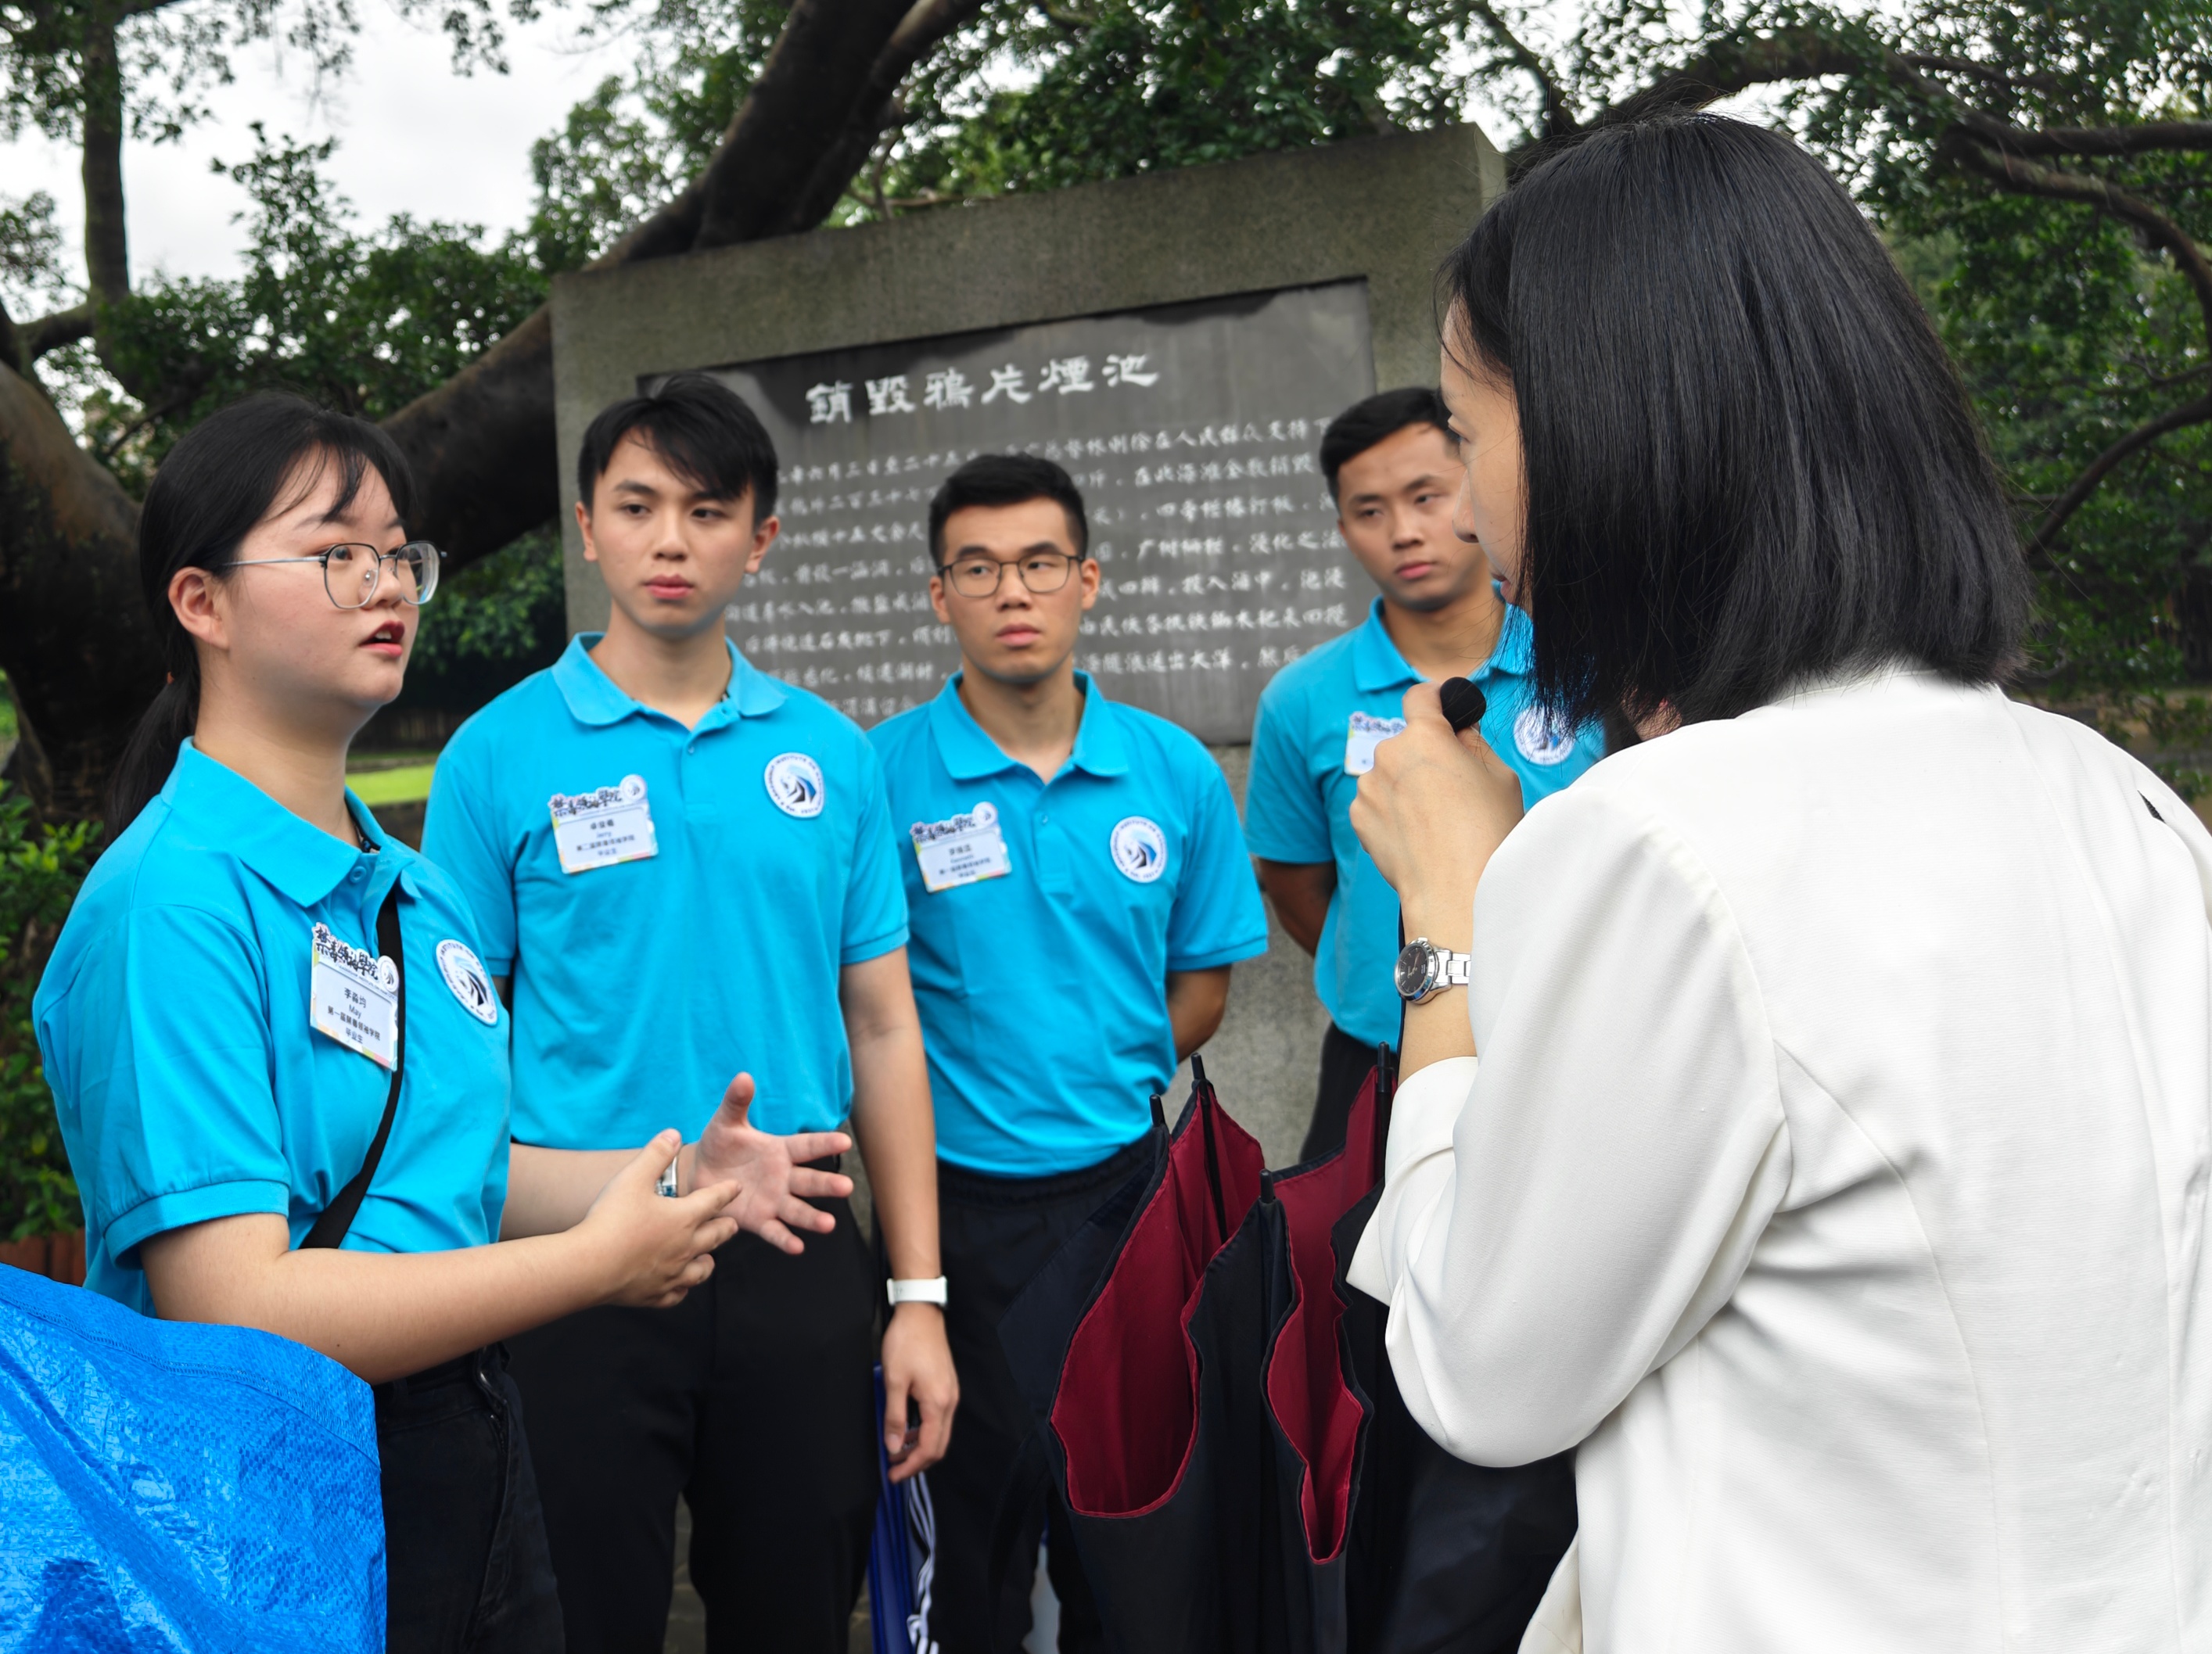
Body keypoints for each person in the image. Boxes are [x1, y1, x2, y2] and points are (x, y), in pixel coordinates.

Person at [1344, 113, 2212, 1652]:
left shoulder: (1660, 845)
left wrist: (1447, 914)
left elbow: (1483, 1368)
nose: (1467, 515)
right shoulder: (2121, 800)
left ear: (1613, 429)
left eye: (1471, 440)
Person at [32, 393, 852, 1653]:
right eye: (334, 551)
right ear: (202, 603)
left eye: (397, 552)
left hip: (467, 1443)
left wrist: (685, 1170)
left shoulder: (409, 892)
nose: (386, 584)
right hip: (273, 1490)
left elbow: (451, 1177)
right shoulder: (172, 900)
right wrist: (592, 1267)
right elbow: (230, 1301)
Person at [421, 372, 958, 1654]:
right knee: (576, 1617)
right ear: (586, 526)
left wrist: (919, 1296)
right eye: (638, 505)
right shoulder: (495, 756)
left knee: (792, 1611)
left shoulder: (829, 755)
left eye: (707, 510)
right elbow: (456, 1043)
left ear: (758, 538)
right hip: (575, 1267)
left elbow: (884, 1030)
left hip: (794, 1253)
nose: (671, 540)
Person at [868, 454, 1269, 1653]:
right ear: (941, 596)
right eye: (978, 568)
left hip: (1127, 1204)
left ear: (1087, 578)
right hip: (952, 1217)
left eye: (1040, 562)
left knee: (1127, 1546)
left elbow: (1204, 981)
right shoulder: (878, 776)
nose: (1013, 591)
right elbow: (861, 1005)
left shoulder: (1170, 770)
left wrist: (1101, 1057)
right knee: (974, 1555)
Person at [1242, 388, 1603, 1161]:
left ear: (1475, 488)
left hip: (1574, 1045)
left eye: (1424, 496)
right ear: (1342, 529)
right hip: (1376, 1058)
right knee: (1353, 1275)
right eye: (1368, 512)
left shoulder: (1593, 666)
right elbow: (1298, 884)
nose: (1402, 531)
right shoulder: (1300, 699)